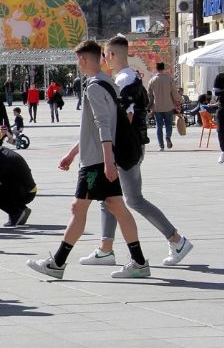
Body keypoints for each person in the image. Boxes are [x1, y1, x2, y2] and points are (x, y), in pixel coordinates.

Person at [26, 40, 151, 279]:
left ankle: (58, 263)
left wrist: (106, 161)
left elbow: (103, 126)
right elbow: (97, 128)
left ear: (83, 59)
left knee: (79, 207)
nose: (78, 64)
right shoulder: (108, 83)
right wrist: (74, 153)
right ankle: (138, 261)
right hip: (100, 157)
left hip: (96, 161)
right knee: (116, 206)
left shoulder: (94, 87)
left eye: (78, 60)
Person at [80, 36, 192, 268]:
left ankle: (176, 239)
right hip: (128, 147)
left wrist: (109, 150)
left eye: (105, 55)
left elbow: (122, 118)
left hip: (126, 149)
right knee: (109, 198)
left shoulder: (124, 82)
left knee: (133, 199)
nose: (103, 60)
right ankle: (105, 249)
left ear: (111, 55)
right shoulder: (129, 78)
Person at [0, 144, 36, 227]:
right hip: (30, 189)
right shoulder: (1, 151)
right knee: (0, 183)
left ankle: (16, 212)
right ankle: (21, 208)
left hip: (24, 193)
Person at [147, 62, 182, 151]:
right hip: (168, 106)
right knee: (168, 124)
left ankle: (161, 146)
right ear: (164, 69)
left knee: (159, 126)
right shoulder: (169, 79)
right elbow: (174, 93)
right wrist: (178, 101)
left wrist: (150, 107)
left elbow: (150, 95)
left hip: (157, 107)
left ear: (156, 69)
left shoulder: (152, 80)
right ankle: (168, 136)